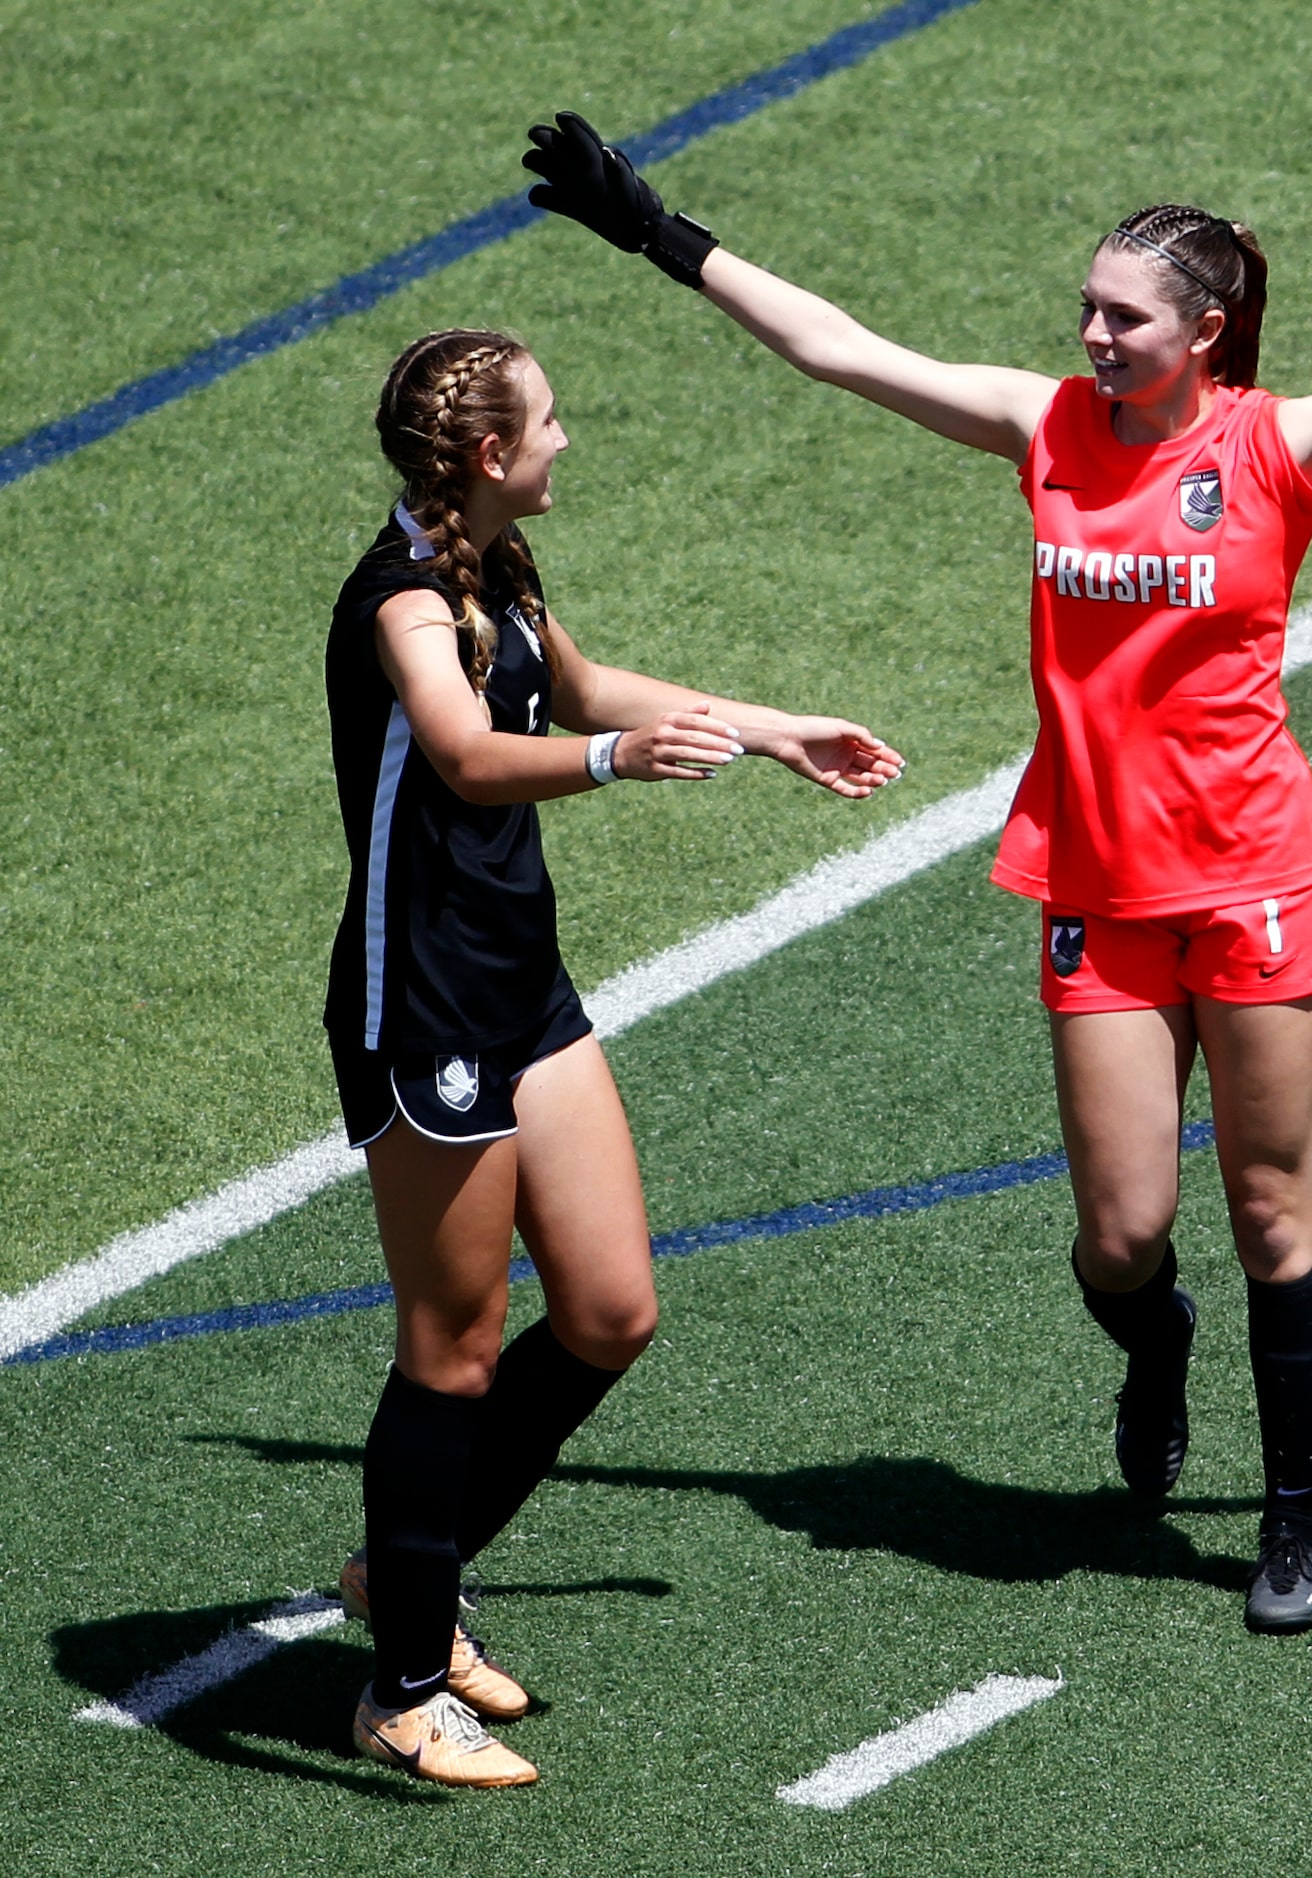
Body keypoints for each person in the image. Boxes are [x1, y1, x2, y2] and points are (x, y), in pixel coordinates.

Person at [520, 119, 1312, 1633]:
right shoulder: (1046, 427)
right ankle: (1154, 1345)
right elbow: (836, 348)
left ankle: (1284, 1524)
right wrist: (655, 227)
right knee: (1122, 1235)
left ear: (1205, 330)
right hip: (1095, 885)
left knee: (1274, 1208)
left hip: (1256, 880)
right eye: (1086, 308)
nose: (1092, 333)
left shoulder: (1277, 445)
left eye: (1124, 316)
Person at [324, 326, 902, 1787]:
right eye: (550, 420)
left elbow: (579, 690)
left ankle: (409, 1576)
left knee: (608, 1307)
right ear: (486, 456)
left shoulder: (499, 565)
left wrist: (771, 731)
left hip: (527, 991)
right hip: (428, 1013)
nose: (569, 438)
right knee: (450, 1351)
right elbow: (464, 749)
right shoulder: (402, 598)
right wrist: (609, 769)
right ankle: (399, 1686)